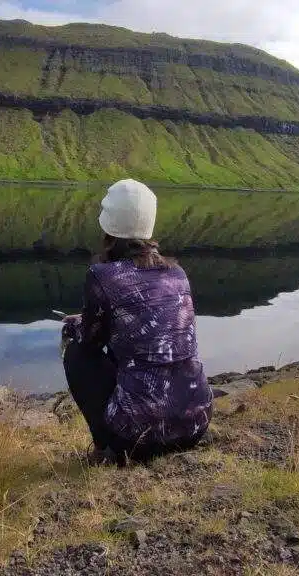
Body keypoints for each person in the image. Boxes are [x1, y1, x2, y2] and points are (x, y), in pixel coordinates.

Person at [61, 179, 213, 464]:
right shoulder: (178, 273)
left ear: (108, 227)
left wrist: (75, 326)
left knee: (77, 355)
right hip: (196, 423)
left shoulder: (102, 276)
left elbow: (91, 344)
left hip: (138, 438)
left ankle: (105, 448)